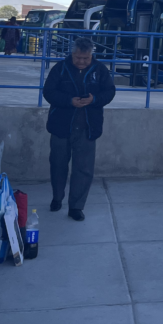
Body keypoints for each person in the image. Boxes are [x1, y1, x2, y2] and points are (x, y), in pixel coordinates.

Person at [43, 36, 116, 220]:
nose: (81, 62)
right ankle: (57, 198)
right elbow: (48, 92)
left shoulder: (100, 70)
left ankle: (76, 206)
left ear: (91, 56)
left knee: (83, 168)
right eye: (78, 58)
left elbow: (109, 91)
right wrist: (69, 102)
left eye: (85, 58)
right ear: (72, 54)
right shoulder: (60, 68)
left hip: (88, 127)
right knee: (58, 165)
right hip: (61, 125)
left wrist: (94, 100)